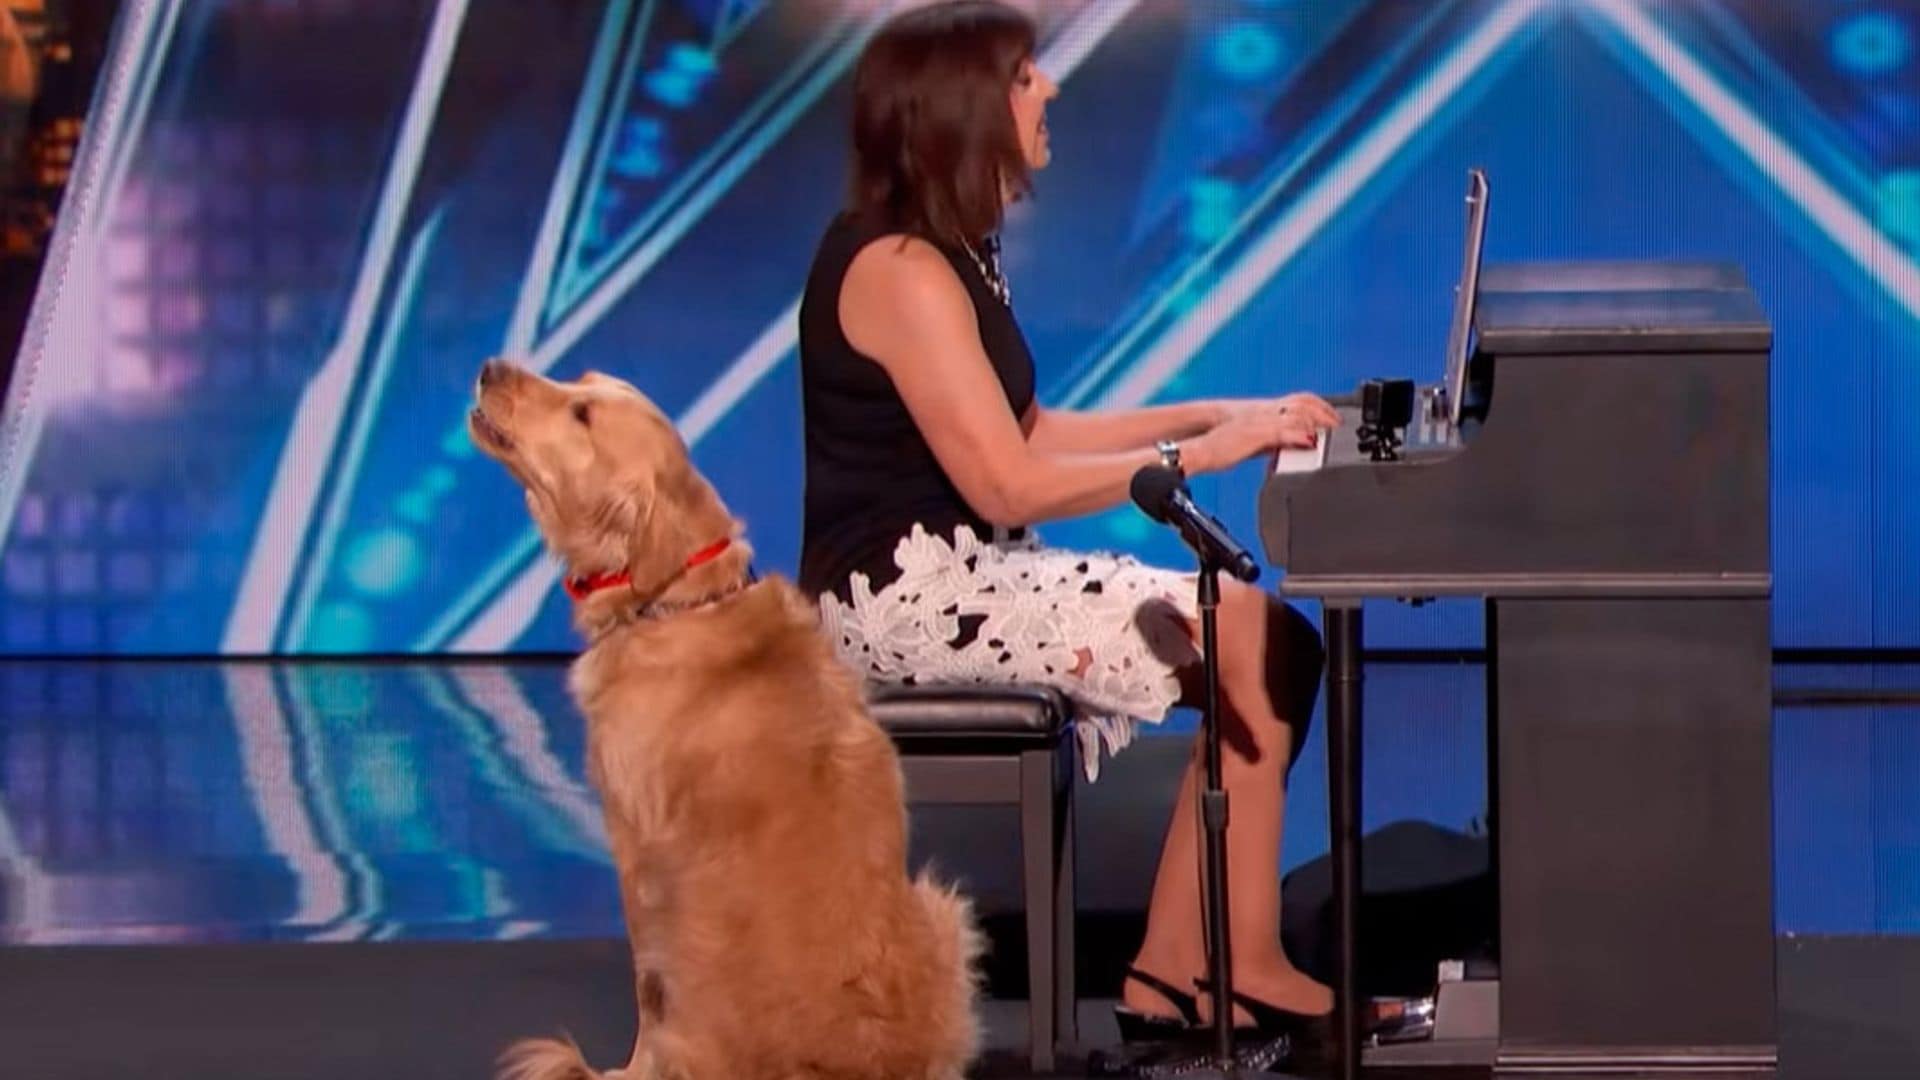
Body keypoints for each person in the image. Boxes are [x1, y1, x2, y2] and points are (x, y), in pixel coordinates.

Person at [795, 0, 1343, 1042]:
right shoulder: (896, 270)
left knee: (1273, 643)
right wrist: (1192, 459)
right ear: (961, 106)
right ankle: (1231, 965)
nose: (1049, 89)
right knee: (1247, 629)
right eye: (1022, 76)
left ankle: (1184, 967)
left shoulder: (953, 249)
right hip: (906, 601)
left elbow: (1032, 427)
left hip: (968, 571)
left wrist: (1208, 412)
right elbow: (1007, 485)